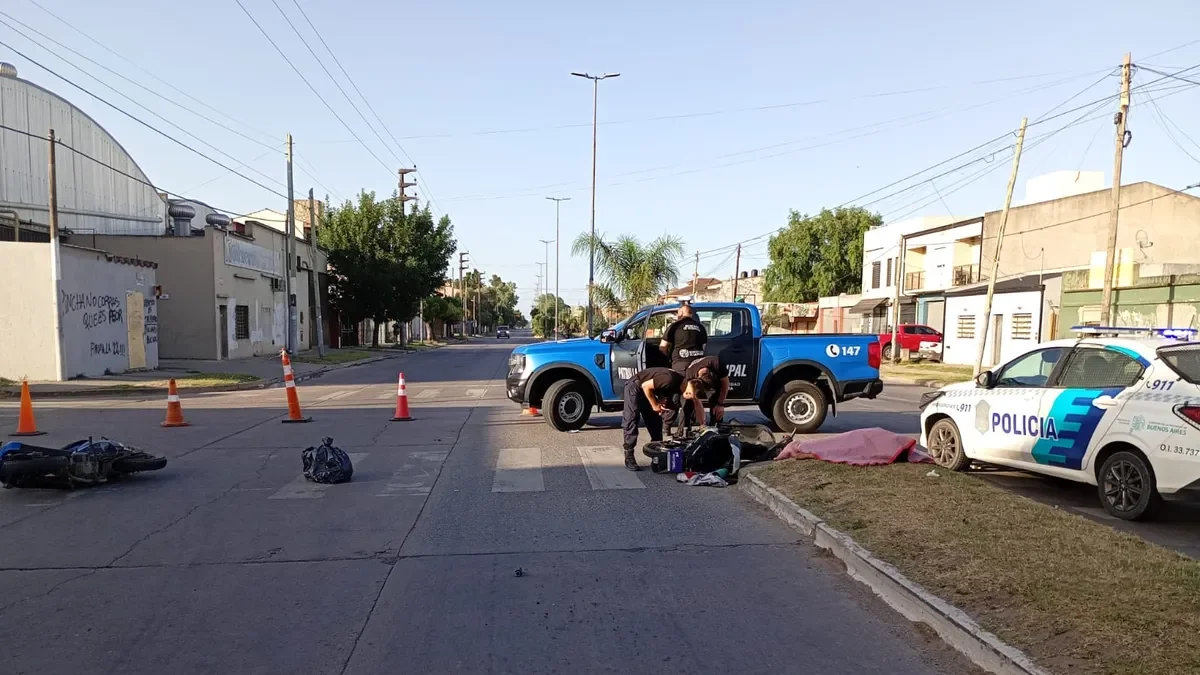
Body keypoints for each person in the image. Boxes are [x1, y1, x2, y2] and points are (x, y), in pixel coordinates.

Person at [621, 367, 707, 471]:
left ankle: (657, 455)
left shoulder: (684, 385)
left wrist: (703, 425)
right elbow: (645, 385)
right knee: (631, 419)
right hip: (635, 386)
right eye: (688, 394)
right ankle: (629, 455)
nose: (687, 396)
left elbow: (697, 404)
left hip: (648, 391)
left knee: (655, 422)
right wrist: (654, 404)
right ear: (689, 384)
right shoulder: (670, 380)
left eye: (690, 396)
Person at [664, 355, 730, 430]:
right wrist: (702, 424)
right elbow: (697, 403)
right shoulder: (690, 375)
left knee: (716, 402)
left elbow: (725, 382)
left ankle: (717, 427)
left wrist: (720, 404)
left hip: (716, 378)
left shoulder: (717, 363)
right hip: (694, 379)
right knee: (688, 403)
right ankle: (683, 430)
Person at [660, 303, 707, 371]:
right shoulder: (701, 327)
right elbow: (704, 347)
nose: (677, 316)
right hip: (698, 364)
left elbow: (662, 347)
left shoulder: (675, 326)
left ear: (681, 313)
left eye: (678, 314)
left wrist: (669, 359)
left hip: (680, 364)